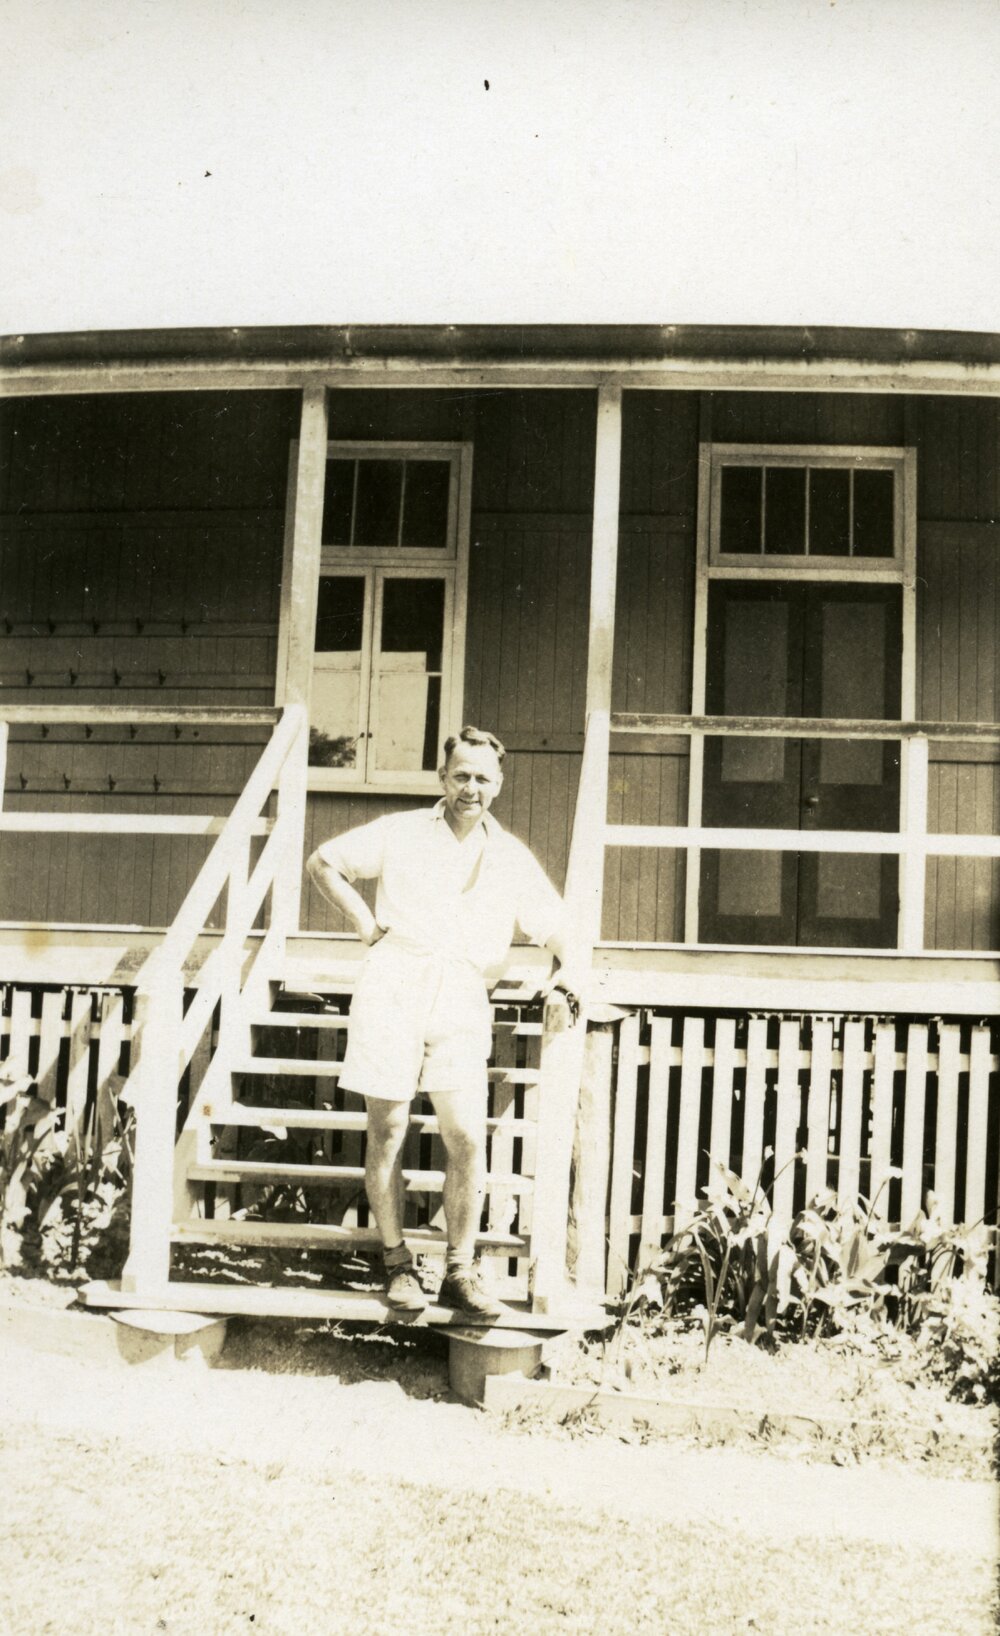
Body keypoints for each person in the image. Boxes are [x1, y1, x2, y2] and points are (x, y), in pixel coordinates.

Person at [306, 725, 585, 1319]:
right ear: (442, 777)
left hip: (461, 994)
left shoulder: (508, 855)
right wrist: (363, 924)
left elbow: (558, 926)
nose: (471, 788)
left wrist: (569, 970)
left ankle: (460, 1268)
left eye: (483, 778)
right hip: (393, 985)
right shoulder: (403, 831)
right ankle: (398, 1263)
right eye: (461, 775)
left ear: (499, 785)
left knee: (464, 1134)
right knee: (388, 1132)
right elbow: (324, 862)